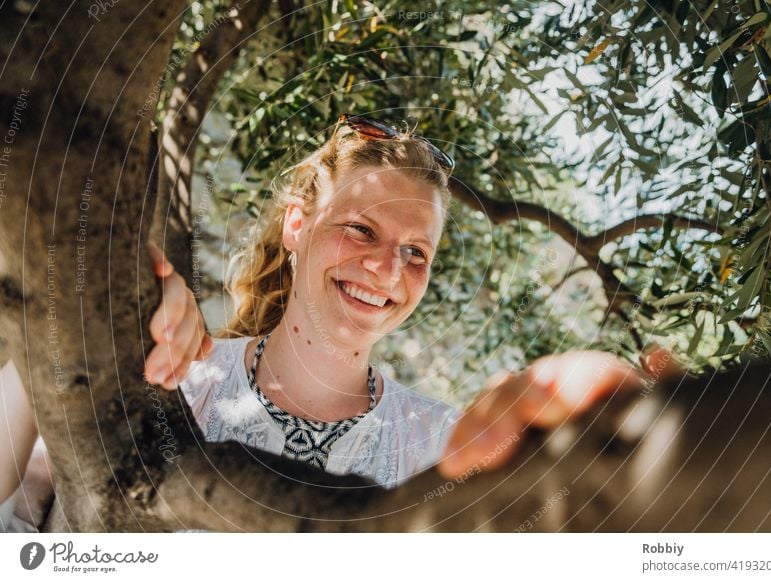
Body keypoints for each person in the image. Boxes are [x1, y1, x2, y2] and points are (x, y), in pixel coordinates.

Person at [1, 115, 650, 529]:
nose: (387, 271)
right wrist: (80, 325)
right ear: (296, 225)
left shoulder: (443, 450)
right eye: (361, 229)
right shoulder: (169, 376)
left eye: (415, 253)